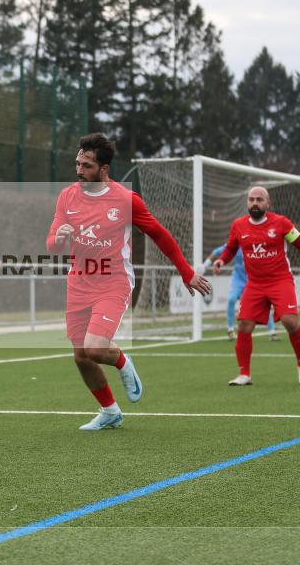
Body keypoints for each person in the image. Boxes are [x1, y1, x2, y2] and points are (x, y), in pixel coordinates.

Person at [47, 133, 211, 431]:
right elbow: (51, 244)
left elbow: (160, 235)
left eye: (86, 166)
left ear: (103, 168)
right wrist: (58, 238)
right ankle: (110, 411)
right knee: (81, 357)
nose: (79, 171)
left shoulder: (125, 199)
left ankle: (122, 361)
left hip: (113, 282)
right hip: (78, 283)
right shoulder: (67, 196)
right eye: (77, 163)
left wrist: (186, 271)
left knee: (96, 348)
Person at [213, 186, 300, 386]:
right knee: (244, 325)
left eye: (259, 200)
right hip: (255, 284)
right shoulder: (238, 225)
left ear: (267, 204)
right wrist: (221, 260)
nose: (255, 203)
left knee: (289, 322)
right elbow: (231, 248)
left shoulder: (281, 223)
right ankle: (244, 374)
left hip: (280, 280)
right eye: (251, 199)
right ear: (247, 203)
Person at [202, 243, 277, 341]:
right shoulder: (235, 244)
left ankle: (272, 332)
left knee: (262, 303)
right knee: (231, 299)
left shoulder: (255, 243)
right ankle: (230, 330)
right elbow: (216, 252)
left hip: (253, 278)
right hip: (238, 279)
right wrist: (205, 265)